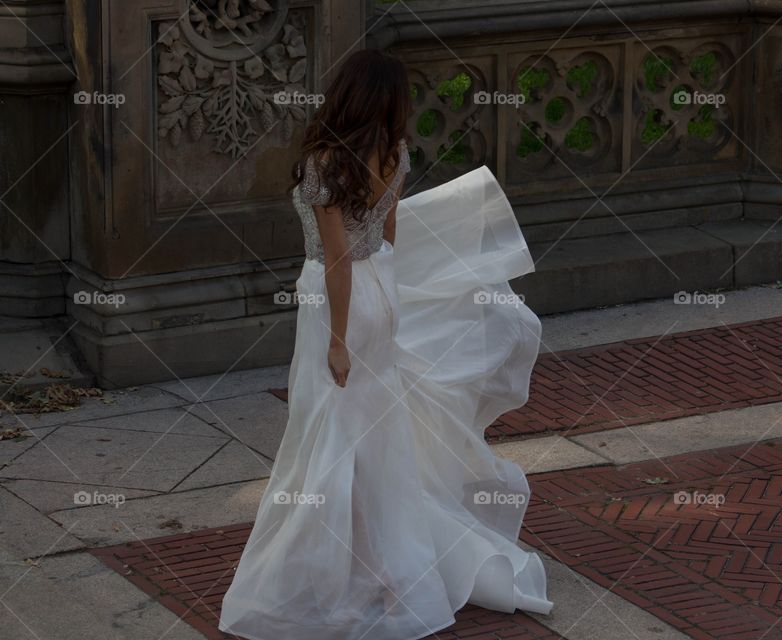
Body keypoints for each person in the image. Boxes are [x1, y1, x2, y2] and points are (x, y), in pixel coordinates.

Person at [218, 49, 553, 640]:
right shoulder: (395, 155)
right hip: (381, 292)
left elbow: (337, 258)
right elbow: (388, 238)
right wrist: (384, 308)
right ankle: (386, 570)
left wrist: (338, 340)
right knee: (374, 437)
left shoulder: (323, 163)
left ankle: (328, 580)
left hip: (337, 302)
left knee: (327, 434)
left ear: (346, 93)